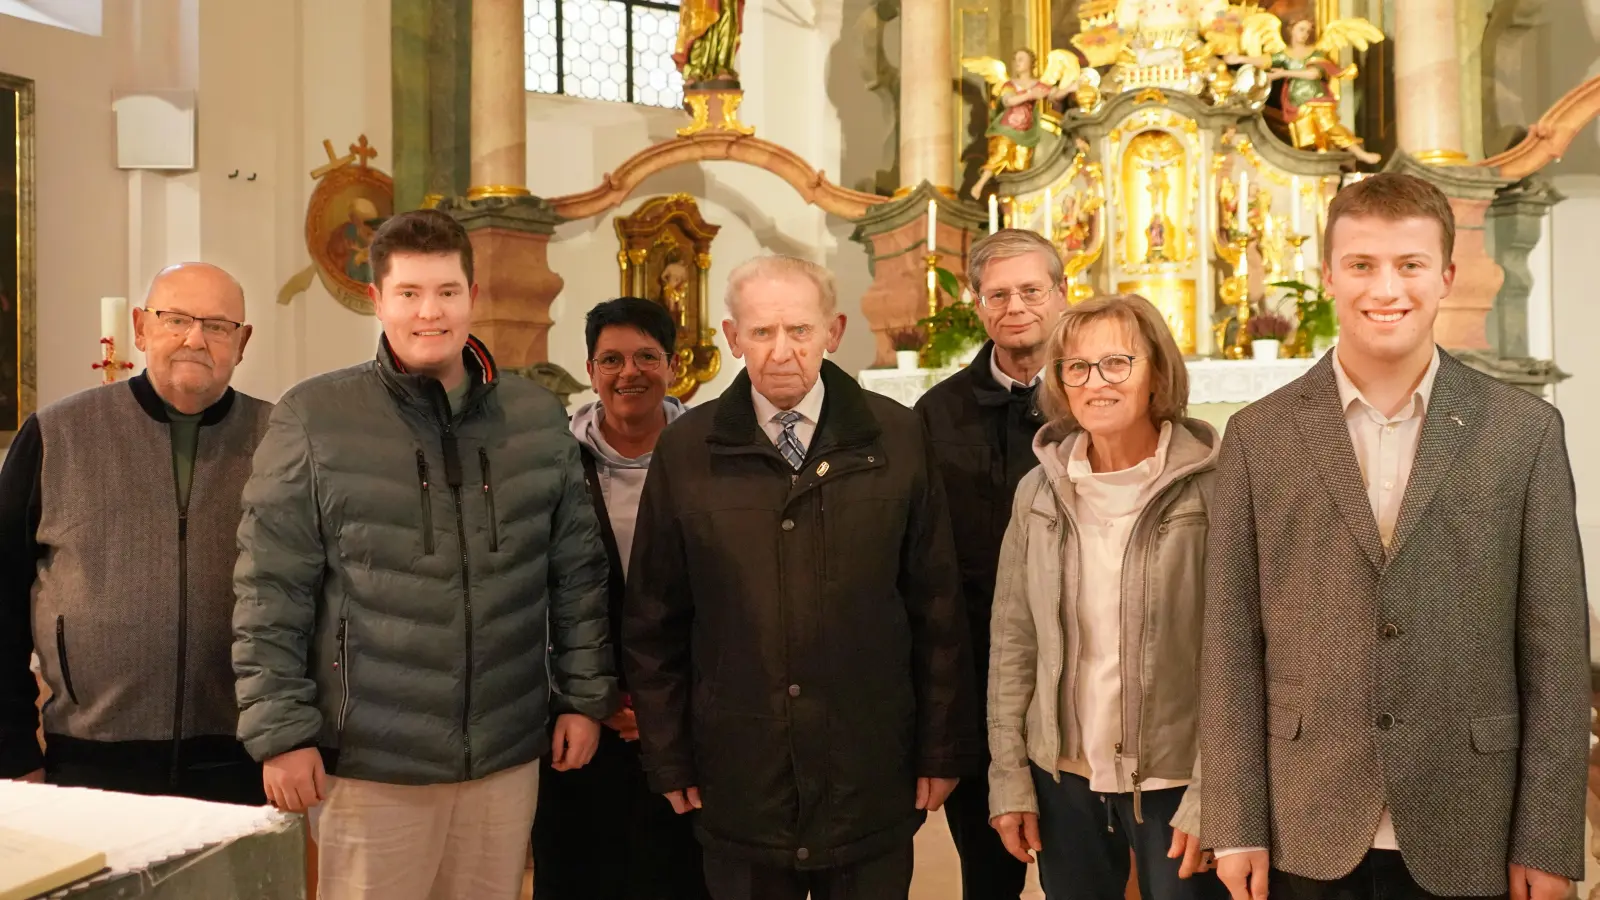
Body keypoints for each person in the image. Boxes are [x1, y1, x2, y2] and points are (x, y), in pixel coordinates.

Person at [1201, 172, 1589, 900]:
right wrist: (1237, 820)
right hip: (1304, 815)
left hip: (1472, 813)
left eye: (1410, 265)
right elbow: (1230, 645)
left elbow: (1555, 649)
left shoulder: (1522, 432)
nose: (1387, 288)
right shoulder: (1259, 436)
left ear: (1445, 275)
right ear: (1328, 277)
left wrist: (1548, 837)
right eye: (1362, 265)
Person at [233, 209, 618, 900]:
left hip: (503, 755)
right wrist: (281, 732)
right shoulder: (315, 418)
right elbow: (270, 587)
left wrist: (583, 698)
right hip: (372, 762)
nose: (429, 312)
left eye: (446, 291)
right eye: (409, 293)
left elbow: (575, 574)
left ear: (473, 295)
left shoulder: (534, 418)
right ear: (376, 299)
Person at [624, 255, 981, 900]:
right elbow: (655, 618)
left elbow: (937, 606)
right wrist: (668, 753)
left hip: (867, 766)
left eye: (800, 330)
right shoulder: (687, 449)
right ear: (732, 338)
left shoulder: (896, 435)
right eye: (761, 333)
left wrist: (941, 746)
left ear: (833, 331)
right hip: (740, 769)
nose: (781, 351)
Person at [0, 263, 269, 803]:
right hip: (88, 760)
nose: (195, 338)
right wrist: (11, 752)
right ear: (141, 328)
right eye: (176, 320)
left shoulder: (282, 441)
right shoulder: (59, 436)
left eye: (217, 326)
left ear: (242, 343)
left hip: (243, 763)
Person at [986, 293, 1222, 900]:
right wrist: (1011, 777)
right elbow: (1013, 643)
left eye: (1117, 363)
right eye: (1078, 367)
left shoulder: (1215, 488)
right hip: (1064, 778)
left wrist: (1217, 788)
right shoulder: (1039, 491)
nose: (1097, 383)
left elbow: (1243, 652)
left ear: (1157, 374)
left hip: (1179, 777)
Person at [533, 297, 706, 900]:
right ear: (590, 367)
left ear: (673, 364)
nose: (628, 372)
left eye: (645, 357)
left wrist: (665, 706)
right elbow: (535, 590)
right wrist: (589, 696)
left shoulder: (711, 456)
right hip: (579, 718)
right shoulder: (554, 462)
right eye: (611, 359)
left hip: (690, 724)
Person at [913, 228, 1064, 900]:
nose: (1016, 306)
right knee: (989, 878)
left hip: (1080, 684)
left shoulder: (1101, 397)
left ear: (1062, 296)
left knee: (1087, 872)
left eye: (1032, 290)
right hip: (975, 679)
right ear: (977, 305)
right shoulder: (934, 414)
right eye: (998, 294)